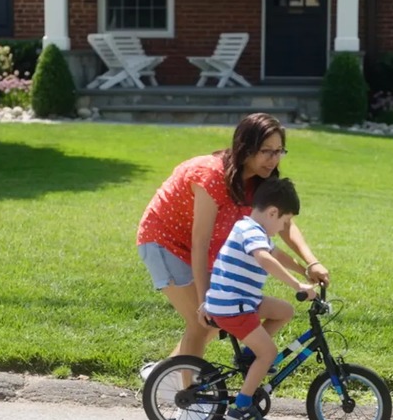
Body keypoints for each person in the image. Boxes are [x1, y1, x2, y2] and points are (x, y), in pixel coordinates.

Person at [136, 113, 330, 375]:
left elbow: (285, 223)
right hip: (164, 242)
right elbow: (200, 241)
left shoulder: (262, 181)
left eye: (279, 151)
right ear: (246, 148)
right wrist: (206, 300)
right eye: (266, 151)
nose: (273, 160)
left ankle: (165, 375)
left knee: (215, 318)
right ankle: (190, 405)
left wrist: (311, 263)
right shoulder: (212, 175)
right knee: (203, 320)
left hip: (200, 248)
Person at [204, 177, 315, 420]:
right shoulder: (251, 232)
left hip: (242, 300)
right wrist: (297, 287)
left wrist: (304, 271)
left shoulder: (251, 228)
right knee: (269, 353)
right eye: (284, 222)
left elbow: (276, 254)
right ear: (273, 212)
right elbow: (265, 259)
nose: (284, 227)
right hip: (235, 306)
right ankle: (241, 407)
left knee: (284, 311)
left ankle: (248, 357)